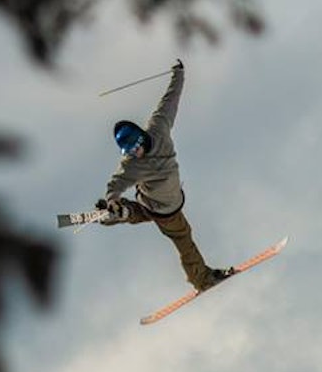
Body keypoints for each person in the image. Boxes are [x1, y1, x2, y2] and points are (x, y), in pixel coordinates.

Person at [97, 60, 231, 292]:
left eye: (136, 148)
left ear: (141, 137)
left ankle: (121, 213)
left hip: (155, 203)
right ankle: (202, 279)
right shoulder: (132, 164)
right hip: (165, 210)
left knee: (142, 212)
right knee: (184, 239)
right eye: (130, 152)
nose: (135, 153)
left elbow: (170, 101)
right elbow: (117, 181)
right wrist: (111, 197)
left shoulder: (159, 126)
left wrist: (178, 74)